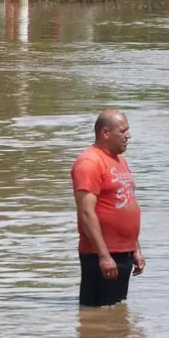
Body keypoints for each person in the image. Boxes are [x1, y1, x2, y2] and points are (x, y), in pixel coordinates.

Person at [71, 110, 144, 307]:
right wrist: (104, 255)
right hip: (101, 255)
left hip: (123, 253)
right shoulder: (89, 162)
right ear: (105, 133)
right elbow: (86, 212)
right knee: (98, 313)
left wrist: (135, 248)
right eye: (123, 131)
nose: (128, 136)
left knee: (116, 312)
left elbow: (126, 203)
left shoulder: (120, 161)